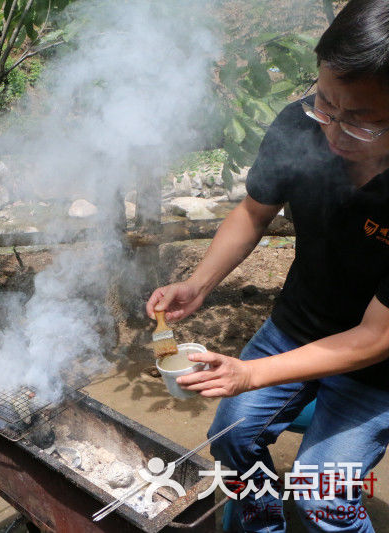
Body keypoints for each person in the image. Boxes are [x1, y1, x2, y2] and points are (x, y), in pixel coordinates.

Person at [146, 0, 389, 530]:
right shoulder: (298, 124)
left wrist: (251, 373)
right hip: (295, 326)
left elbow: (377, 336)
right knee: (230, 438)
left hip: (377, 370)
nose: (333, 130)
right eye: (326, 104)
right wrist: (198, 282)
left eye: (362, 122)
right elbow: (253, 212)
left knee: (321, 491)